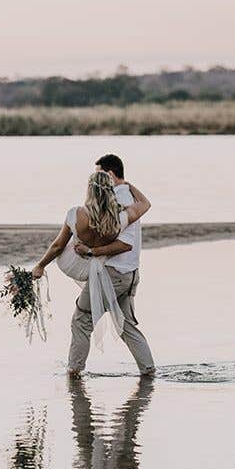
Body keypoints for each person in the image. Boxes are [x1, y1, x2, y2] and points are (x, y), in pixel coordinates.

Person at [32, 160, 155, 376]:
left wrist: (41, 265)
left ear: (89, 190)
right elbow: (145, 204)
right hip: (128, 275)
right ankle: (148, 370)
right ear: (110, 190)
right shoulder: (120, 218)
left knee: (81, 321)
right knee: (126, 325)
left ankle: (74, 371)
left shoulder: (75, 214)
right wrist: (128, 184)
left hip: (107, 276)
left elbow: (58, 245)